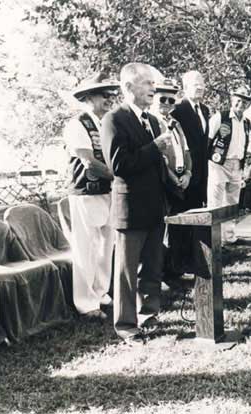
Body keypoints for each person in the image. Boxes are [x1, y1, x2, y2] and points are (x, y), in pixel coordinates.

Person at [101, 62, 175, 344]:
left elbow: (156, 166)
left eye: (153, 85)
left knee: (152, 267)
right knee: (127, 272)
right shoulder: (114, 119)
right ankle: (127, 325)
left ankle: (150, 315)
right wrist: (154, 147)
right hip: (130, 209)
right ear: (128, 87)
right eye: (147, 84)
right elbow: (119, 165)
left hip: (155, 208)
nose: (153, 90)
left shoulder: (153, 120)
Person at [63, 73, 119, 320]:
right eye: (103, 94)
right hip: (86, 191)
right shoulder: (77, 124)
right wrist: (119, 177)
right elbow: (88, 161)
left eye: (111, 94)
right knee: (86, 247)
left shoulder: (106, 123)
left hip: (108, 191)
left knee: (107, 244)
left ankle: (101, 291)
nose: (110, 98)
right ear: (88, 98)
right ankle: (86, 303)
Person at [166, 71, 211, 286]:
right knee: (179, 223)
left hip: (201, 176)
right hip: (184, 176)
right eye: (195, 84)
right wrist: (183, 174)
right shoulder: (178, 111)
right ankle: (177, 266)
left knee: (196, 221)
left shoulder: (205, 110)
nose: (200, 87)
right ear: (184, 87)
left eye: (202, 83)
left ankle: (194, 263)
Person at [150, 77, 193, 292]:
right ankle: (157, 275)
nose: (167, 104)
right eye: (162, 99)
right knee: (159, 231)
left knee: (174, 230)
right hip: (162, 183)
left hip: (178, 181)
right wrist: (171, 177)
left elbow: (186, 151)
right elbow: (158, 157)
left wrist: (188, 172)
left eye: (171, 100)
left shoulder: (175, 124)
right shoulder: (151, 122)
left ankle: (172, 271)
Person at [207, 86, 251, 244]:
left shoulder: (246, 122)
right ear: (232, 100)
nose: (241, 104)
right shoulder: (220, 117)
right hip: (219, 164)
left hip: (236, 165)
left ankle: (229, 237)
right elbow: (207, 140)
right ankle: (215, 240)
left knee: (232, 202)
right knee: (215, 202)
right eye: (238, 100)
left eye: (245, 102)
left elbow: (243, 144)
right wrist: (209, 162)